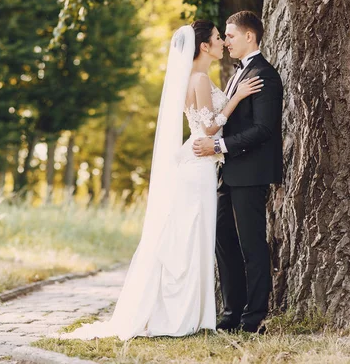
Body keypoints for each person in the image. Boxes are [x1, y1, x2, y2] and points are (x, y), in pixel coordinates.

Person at [60, 20, 262, 340]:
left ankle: (192, 312)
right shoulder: (197, 78)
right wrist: (236, 97)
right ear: (205, 47)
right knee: (193, 237)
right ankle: (182, 313)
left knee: (195, 236)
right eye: (217, 38)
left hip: (201, 165)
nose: (223, 41)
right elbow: (209, 128)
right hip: (198, 167)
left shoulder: (196, 77)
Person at [193, 11, 283, 333]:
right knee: (224, 242)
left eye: (230, 36)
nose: (226, 41)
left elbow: (263, 130)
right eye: (224, 36)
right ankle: (231, 314)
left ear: (249, 37)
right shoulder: (236, 75)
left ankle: (254, 318)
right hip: (228, 175)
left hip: (251, 173)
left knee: (251, 246)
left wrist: (218, 148)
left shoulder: (265, 75)